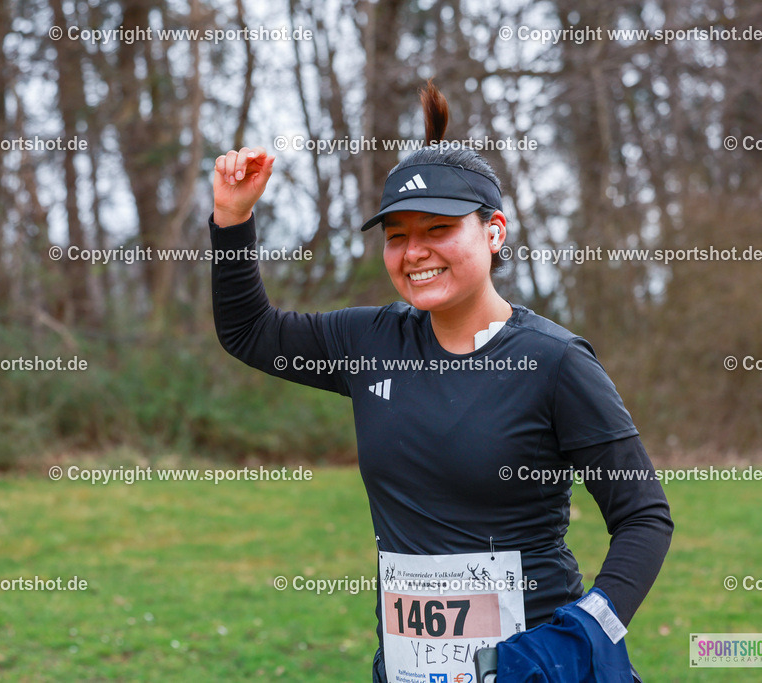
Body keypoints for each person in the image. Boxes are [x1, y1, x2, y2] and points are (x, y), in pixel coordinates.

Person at [209, 81, 673, 682]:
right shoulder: (369, 344)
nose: (414, 252)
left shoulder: (555, 362)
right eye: (397, 235)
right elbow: (250, 332)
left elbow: (643, 517)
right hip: (408, 669)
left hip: (533, 668)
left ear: (494, 232)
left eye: (438, 230)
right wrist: (232, 215)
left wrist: (584, 631)